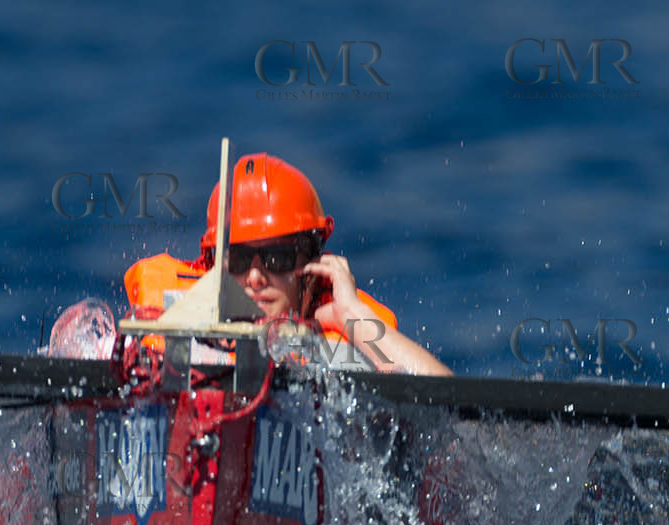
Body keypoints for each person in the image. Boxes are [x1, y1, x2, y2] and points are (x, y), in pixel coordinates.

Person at [123, 152, 453, 376]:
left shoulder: (339, 340)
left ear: (308, 269)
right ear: (214, 266)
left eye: (275, 259)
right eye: (237, 260)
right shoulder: (169, 320)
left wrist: (353, 317)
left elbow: (449, 407)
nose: (254, 277)